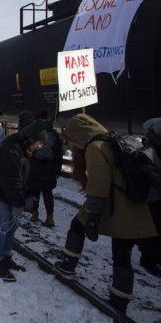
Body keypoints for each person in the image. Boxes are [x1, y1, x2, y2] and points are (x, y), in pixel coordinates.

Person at [54, 114, 157, 313]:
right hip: (133, 206)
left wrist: (93, 217)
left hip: (112, 204)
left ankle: (67, 266)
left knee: (77, 227)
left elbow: (98, 185)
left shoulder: (95, 147)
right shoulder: (113, 140)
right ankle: (120, 300)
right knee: (122, 254)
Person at [0, 119, 47, 282]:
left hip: (8, 192)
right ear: (31, 139)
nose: (40, 146)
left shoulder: (25, 150)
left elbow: (25, 176)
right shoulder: (11, 150)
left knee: (13, 225)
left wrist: (29, 194)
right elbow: (11, 181)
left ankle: (7, 256)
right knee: (3, 226)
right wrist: (19, 203)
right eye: (39, 143)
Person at [27, 111, 63, 227]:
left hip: (35, 167)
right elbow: (59, 153)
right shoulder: (54, 133)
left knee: (35, 192)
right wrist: (58, 168)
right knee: (48, 193)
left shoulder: (34, 132)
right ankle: (50, 217)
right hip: (50, 169)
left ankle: (34, 213)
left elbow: (29, 149)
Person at [139, 118, 161, 277]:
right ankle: (148, 258)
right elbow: (152, 172)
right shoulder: (148, 149)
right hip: (153, 194)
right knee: (153, 226)